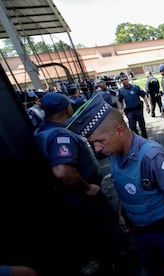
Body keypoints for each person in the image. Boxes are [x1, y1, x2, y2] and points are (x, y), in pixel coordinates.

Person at [66, 94, 164, 276]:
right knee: (155, 269)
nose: (96, 149)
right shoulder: (114, 153)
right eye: (92, 143)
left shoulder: (152, 156)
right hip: (137, 230)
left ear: (119, 130)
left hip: (163, 230)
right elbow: (121, 184)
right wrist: (121, 211)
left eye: (99, 141)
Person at [34, 93, 128, 275]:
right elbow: (62, 171)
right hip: (83, 194)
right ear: (67, 109)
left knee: (92, 232)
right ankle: (120, 262)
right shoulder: (60, 134)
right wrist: (87, 188)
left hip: (67, 196)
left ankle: (108, 261)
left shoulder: (40, 131)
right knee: (108, 227)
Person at [118, 73, 150, 138]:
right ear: (120, 82)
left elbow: (143, 96)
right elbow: (120, 101)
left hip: (138, 109)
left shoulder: (135, 87)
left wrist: (147, 106)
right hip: (129, 111)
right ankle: (137, 140)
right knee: (132, 127)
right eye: (122, 80)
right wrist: (121, 110)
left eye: (125, 79)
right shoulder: (121, 91)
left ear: (128, 79)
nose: (124, 81)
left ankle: (145, 139)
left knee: (142, 126)